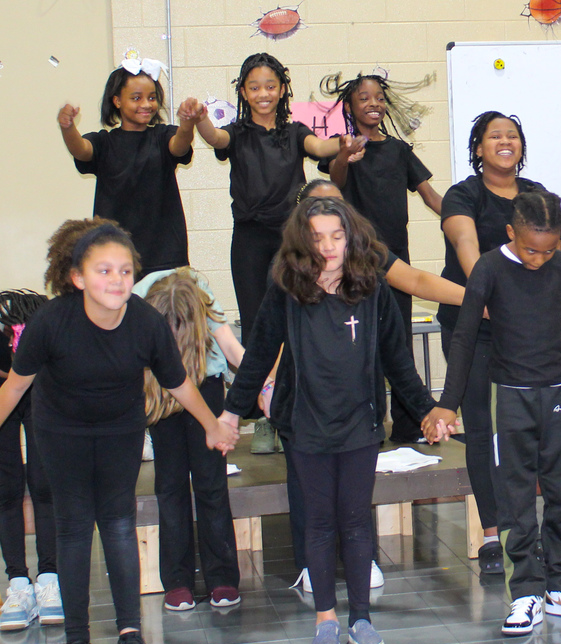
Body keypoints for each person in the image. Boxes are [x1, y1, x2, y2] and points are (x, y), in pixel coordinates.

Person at [0, 220, 238, 644]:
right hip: (61, 431)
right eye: (104, 271)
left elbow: (178, 383)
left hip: (118, 430)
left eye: (125, 271)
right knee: (73, 530)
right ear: (77, 277)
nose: (116, 280)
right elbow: (14, 389)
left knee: (117, 524)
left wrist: (212, 426)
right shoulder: (50, 322)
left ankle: (131, 637)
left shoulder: (145, 323)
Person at [220, 197, 447, 644]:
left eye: (336, 237)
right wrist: (230, 413)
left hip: (359, 424)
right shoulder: (286, 287)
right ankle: (325, 619)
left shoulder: (372, 287)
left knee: (356, 520)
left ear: (351, 238)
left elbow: (397, 359)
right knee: (319, 522)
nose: (327, 246)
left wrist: (429, 409)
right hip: (305, 424)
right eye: (318, 237)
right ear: (302, 241)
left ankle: (361, 618)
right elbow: (259, 354)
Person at [428, 190, 561, 637]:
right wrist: (447, 403)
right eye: (531, 249)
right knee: (515, 498)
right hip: (511, 396)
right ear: (511, 232)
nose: (540, 259)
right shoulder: (489, 268)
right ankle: (526, 591)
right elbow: (465, 337)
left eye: (550, 249)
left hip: (559, 393)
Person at [279, 180, 466, 594]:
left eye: (337, 215)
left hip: (355, 407)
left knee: (354, 492)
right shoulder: (289, 268)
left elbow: (413, 288)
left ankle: (362, 563)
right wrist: (265, 388)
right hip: (305, 405)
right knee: (309, 491)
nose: (328, 238)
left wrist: (475, 299)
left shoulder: (367, 259)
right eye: (317, 215)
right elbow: (270, 338)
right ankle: (310, 565)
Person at [437, 111, 544, 575]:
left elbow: (547, 254)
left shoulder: (536, 195)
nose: (505, 141)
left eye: (512, 135)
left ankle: (524, 530)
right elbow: (466, 245)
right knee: (482, 429)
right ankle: (491, 534)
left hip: (520, 329)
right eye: (494, 135)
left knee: (522, 430)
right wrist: (486, 293)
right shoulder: (463, 194)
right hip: (473, 326)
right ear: (478, 148)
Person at [320, 71, 444, 443]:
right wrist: (345, 154)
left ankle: (408, 426)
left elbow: (430, 196)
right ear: (349, 107)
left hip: (397, 261)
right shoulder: (343, 149)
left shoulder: (399, 150)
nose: (373, 103)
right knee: (362, 344)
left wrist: (465, 220)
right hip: (358, 261)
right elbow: (336, 181)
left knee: (398, 343)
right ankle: (370, 423)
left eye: (378, 98)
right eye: (364, 98)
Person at [191, 53, 342, 345]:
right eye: (255, 87)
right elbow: (215, 138)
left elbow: (320, 148)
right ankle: (258, 374)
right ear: (243, 92)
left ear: (282, 90)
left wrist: (345, 142)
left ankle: (294, 372)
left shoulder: (295, 132)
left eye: (270, 87)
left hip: (291, 236)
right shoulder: (237, 133)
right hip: (250, 238)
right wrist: (200, 120)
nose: (263, 94)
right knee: (255, 318)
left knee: (296, 313)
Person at [134, 268, 246, 612]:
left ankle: (222, 577)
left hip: (204, 380)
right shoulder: (135, 303)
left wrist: (265, 385)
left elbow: (232, 349)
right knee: (170, 484)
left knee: (211, 482)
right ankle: (177, 581)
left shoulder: (203, 296)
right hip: (161, 390)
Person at [57, 55, 197, 277]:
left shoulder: (163, 136)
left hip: (164, 251)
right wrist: (67, 127)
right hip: (115, 250)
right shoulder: (104, 142)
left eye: (152, 98)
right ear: (117, 101)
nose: (146, 104)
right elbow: (81, 150)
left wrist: (187, 123)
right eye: (136, 98)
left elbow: (179, 146)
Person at [0, 291, 62, 631]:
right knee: (6, 489)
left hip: (39, 392)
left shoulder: (41, 322)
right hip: (4, 395)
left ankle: (50, 579)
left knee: (44, 484)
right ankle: (18, 585)